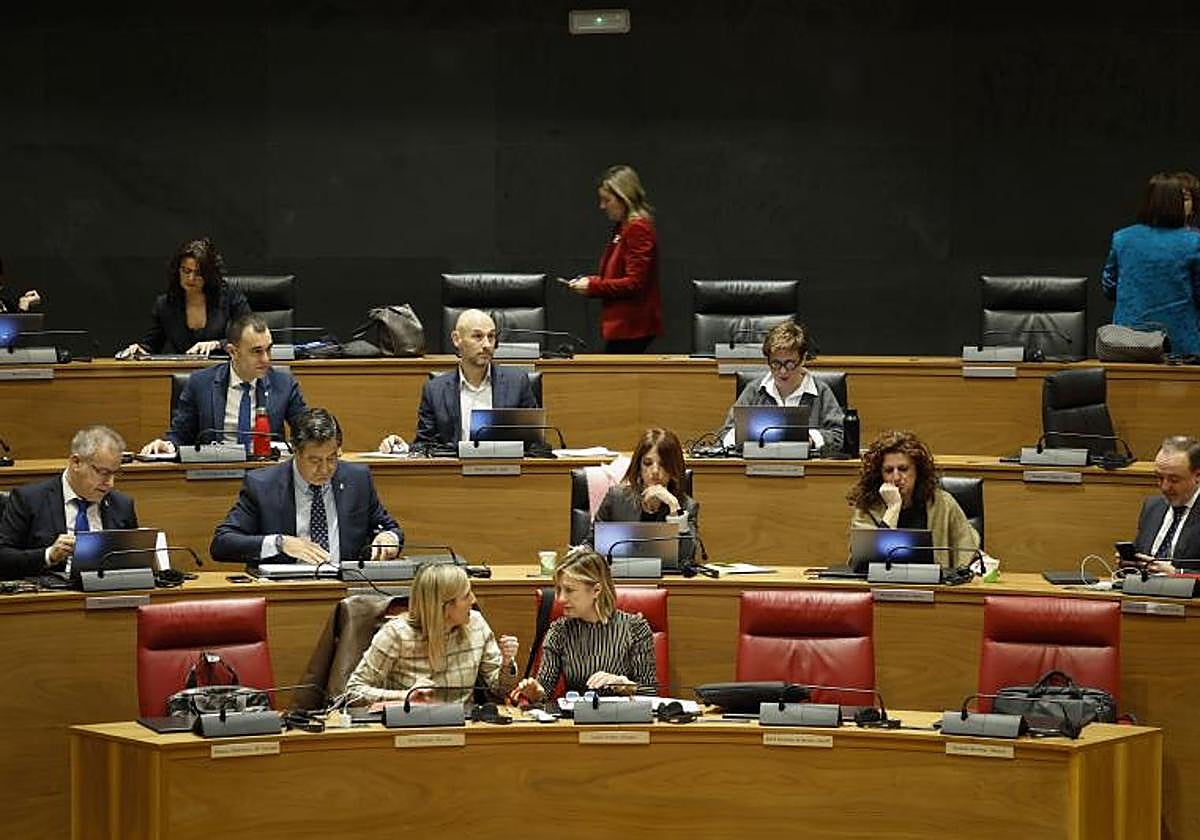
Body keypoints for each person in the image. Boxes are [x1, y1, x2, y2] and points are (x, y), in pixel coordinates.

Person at [210, 408, 402, 566]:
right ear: (296, 451)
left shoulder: (357, 479)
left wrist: (389, 538)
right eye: (315, 460)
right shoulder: (263, 485)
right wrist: (279, 543)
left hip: (346, 588)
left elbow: (389, 528)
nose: (325, 469)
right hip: (287, 590)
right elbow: (222, 543)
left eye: (332, 458)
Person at [346, 563, 518, 705]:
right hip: (411, 727)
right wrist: (405, 696)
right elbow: (353, 691)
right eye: (466, 596)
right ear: (443, 607)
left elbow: (500, 690)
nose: (473, 600)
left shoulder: (477, 624)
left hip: (463, 728)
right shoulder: (396, 634)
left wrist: (507, 663)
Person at [140, 312, 307, 454]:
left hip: (265, 475)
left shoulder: (284, 384)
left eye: (268, 349)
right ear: (233, 352)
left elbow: (305, 430)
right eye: (257, 352)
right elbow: (180, 435)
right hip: (215, 474)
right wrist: (166, 446)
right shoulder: (200, 383)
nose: (266, 359)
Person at [511, 547, 656, 701]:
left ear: (596, 590)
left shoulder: (635, 628)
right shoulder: (559, 631)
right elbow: (544, 692)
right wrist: (535, 692)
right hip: (576, 721)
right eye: (559, 590)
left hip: (625, 721)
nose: (560, 599)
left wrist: (621, 684)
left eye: (569, 590)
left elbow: (650, 693)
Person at [378, 309, 536, 450]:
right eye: (478, 336)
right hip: (455, 477)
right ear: (456, 339)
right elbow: (425, 445)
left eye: (491, 336)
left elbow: (535, 444)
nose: (487, 344)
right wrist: (403, 448)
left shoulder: (517, 383)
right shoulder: (435, 390)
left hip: (508, 474)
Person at [0, 426, 137, 578]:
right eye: (103, 473)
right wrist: (48, 555)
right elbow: (3, 556)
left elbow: (133, 563)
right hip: (51, 596)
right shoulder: (29, 499)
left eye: (115, 473)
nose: (110, 483)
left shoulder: (122, 505)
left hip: (106, 593)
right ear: (76, 463)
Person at [563, 164, 661, 354]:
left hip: (633, 327)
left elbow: (634, 283)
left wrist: (592, 286)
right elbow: (616, 276)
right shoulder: (622, 229)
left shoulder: (638, 230)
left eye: (606, 200)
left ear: (624, 198)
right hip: (622, 327)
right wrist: (590, 282)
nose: (602, 206)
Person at [1101, 172, 1200, 356]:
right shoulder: (1194, 242)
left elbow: (1109, 287)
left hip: (1126, 344)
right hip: (1181, 348)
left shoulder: (1123, 238)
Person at [846, 430, 979, 566]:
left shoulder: (942, 503)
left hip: (933, 585)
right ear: (879, 474)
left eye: (903, 469)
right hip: (882, 585)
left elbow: (970, 553)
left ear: (917, 471)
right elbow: (865, 564)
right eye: (888, 470)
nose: (896, 477)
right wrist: (893, 508)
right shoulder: (867, 507)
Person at [719, 320, 844, 456]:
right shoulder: (754, 390)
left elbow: (841, 435)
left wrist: (812, 439)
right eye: (776, 364)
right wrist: (740, 438)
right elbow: (725, 434)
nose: (782, 371)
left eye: (790, 364)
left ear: (803, 359)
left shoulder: (821, 391)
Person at [119, 237, 251, 358]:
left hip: (223, 371)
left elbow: (249, 335)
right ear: (178, 271)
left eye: (198, 273)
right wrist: (140, 349)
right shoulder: (165, 305)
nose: (191, 278)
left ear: (209, 274)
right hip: (184, 376)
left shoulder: (229, 295)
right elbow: (152, 345)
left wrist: (218, 344)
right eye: (186, 271)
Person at [586, 428, 700, 561]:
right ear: (638, 467)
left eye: (663, 464)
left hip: (666, 580)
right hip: (619, 579)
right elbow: (590, 545)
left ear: (674, 468)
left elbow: (686, 557)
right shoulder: (616, 498)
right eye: (648, 463)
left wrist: (674, 510)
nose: (655, 471)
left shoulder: (687, 506)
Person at [1129, 435, 1200, 572]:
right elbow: (1141, 559)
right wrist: (1130, 563)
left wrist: (1176, 574)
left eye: (1174, 480)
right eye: (1160, 477)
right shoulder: (1152, 507)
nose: (1165, 487)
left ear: (1197, 476)